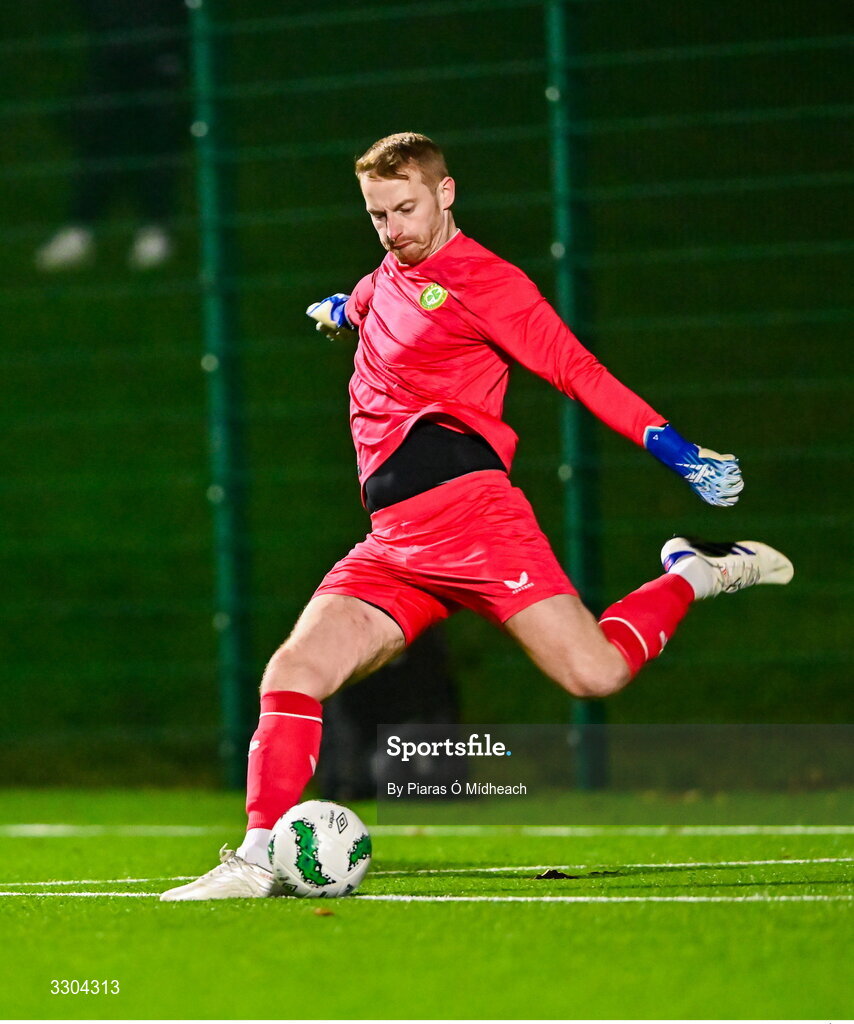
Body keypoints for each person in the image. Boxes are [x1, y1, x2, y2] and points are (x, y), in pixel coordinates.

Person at [161, 133, 793, 901]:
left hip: (473, 520)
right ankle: (257, 859)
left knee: (593, 673)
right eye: (377, 215)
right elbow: (367, 301)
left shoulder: (490, 283)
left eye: (405, 208)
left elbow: (576, 370)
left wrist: (674, 447)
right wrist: (338, 308)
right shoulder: (387, 273)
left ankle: (696, 571)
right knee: (293, 670)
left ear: (446, 192)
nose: (394, 228)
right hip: (394, 544)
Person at [34, 0, 186, 271]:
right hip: (111, 43)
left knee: (155, 135)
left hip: (161, 44)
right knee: (98, 135)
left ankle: (155, 228)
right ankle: (80, 230)